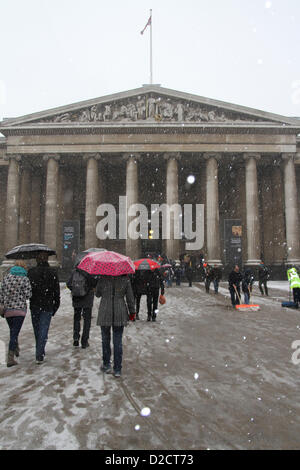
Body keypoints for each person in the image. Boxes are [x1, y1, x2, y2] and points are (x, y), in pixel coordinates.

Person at [95, 275, 135, 377]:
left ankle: (107, 364)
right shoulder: (125, 279)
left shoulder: (102, 278)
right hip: (119, 310)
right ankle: (117, 369)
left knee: (105, 339)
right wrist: (132, 312)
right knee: (117, 341)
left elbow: (97, 294)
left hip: (105, 310)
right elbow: (130, 297)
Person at [27, 252, 60, 364]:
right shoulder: (53, 272)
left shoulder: (31, 272)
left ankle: (39, 350)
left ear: (36, 260)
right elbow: (56, 291)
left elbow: (28, 290)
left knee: (37, 329)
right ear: (46, 259)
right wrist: (56, 305)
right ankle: (39, 352)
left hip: (35, 305)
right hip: (47, 305)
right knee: (44, 329)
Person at [0, 260, 32, 367]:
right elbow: (28, 295)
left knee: (13, 330)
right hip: (19, 310)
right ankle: (10, 357)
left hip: (8, 310)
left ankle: (16, 348)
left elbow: (1, 294)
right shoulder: (24, 278)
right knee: (14, 333)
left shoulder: (6, 278)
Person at [67, 267, 97, 348]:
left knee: (77, 318)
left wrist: (75, 290)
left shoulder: (74, 271)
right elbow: (94, 284)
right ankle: (84, 341)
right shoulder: (90, 272)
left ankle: (76, 338)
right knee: (87, 320)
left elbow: (68, 284)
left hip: (77, 299)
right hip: (88, 299)